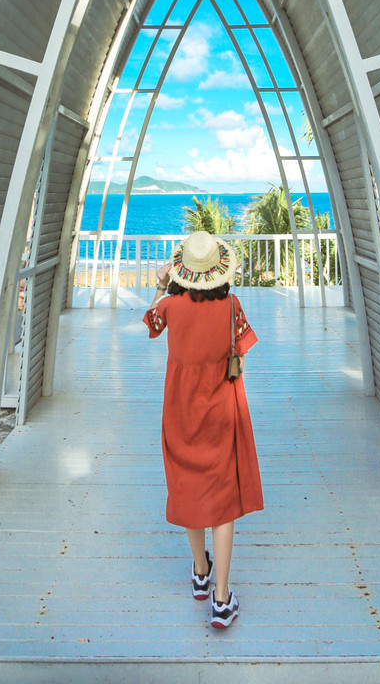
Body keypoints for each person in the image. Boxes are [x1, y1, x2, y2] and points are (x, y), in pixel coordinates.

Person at [143, 230, 263, 628]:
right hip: (221, 411)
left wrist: (160, 285)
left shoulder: (170, 306)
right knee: (222, 500)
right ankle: (222, 598)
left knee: (187, 486)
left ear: (184, 272)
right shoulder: (231, 307)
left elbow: (151, 323)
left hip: (180, 411)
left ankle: (200, 571)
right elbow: (242, 351)